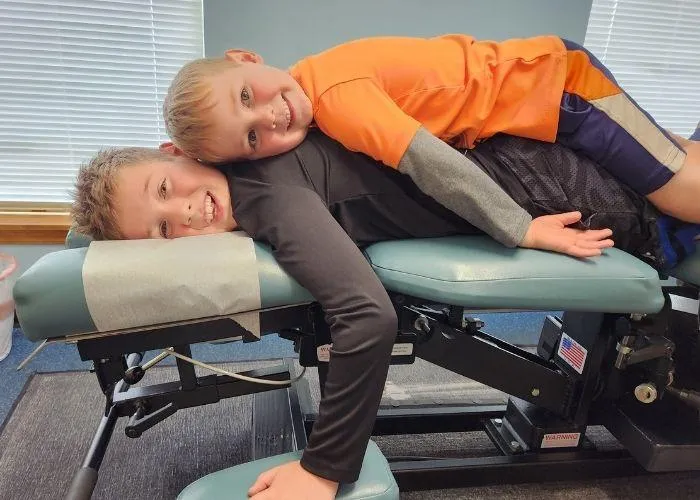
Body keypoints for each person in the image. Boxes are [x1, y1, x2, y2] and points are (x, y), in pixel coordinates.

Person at [72, 131, 690, 499]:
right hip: (533, 165)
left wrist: (322, 470)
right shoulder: (254, 155)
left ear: (176, 151)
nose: (184, 213)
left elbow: (367, 318)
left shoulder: (267, 197)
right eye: (163, 230)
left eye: (163, 189)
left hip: (566, 194)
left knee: (676, 222)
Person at [161, 33, 700, 258]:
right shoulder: (314, 86)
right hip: (537, 102)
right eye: (252, 137)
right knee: (662, 151)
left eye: (247, 96)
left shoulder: (337, 98)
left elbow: (432, 163)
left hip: (558, 87)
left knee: (681, 192)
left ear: (246, 58)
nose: (269, 116)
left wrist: (521, 228)